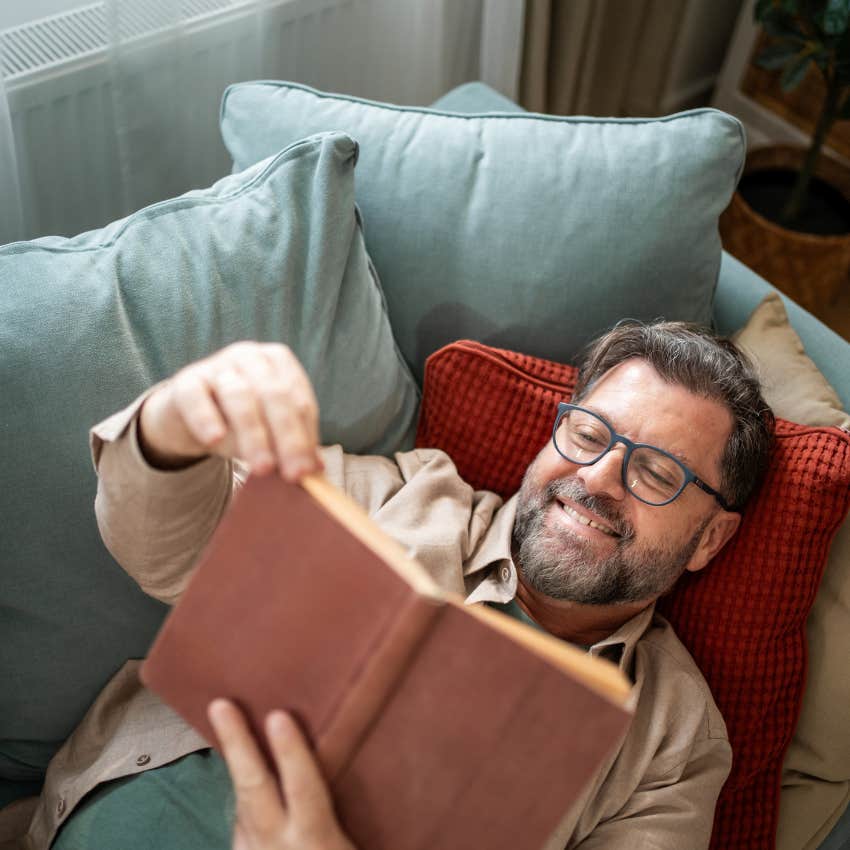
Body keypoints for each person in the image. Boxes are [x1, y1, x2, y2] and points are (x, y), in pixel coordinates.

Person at [28, 320, 774, 850]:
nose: (597, 479)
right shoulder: (411, 495)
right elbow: (175, 545)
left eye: (657, 472)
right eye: (588, 434)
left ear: (711, 536)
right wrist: (173, 425)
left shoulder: (673, 744)